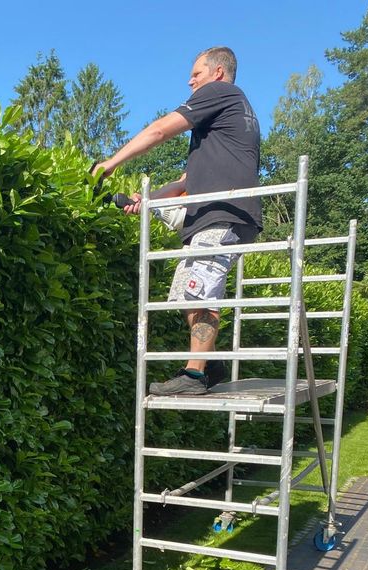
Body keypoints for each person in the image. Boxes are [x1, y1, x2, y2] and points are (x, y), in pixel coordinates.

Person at [95, 47, 262, 396]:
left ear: (217, 72)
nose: (190, 80)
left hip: (222, 215)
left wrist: (111, 163)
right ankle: (209, 364)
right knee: (189, 294)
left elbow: (159, 131)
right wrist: (149, 201)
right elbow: (186, 181)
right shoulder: (227, 119)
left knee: (199, 293)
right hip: (214, 216)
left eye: (196, 73)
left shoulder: (222, 93)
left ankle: (195, 375)